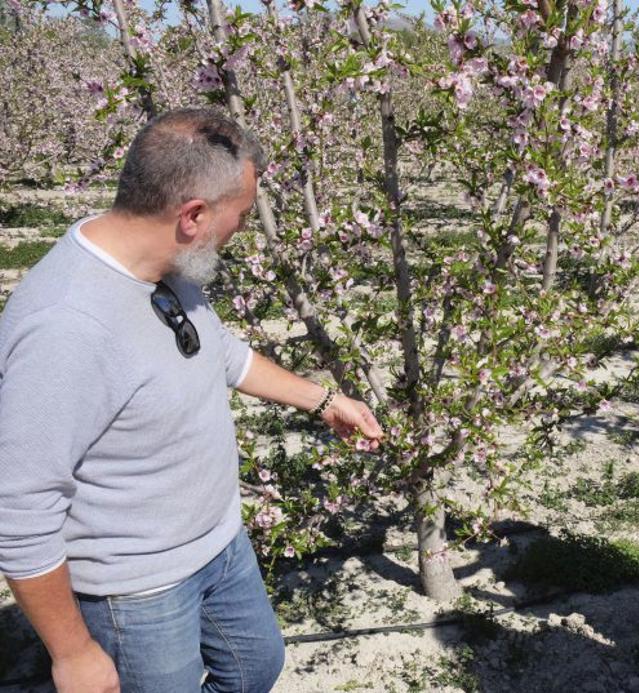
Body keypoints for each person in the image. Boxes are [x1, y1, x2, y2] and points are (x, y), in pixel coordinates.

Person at [0, 108, 384, 693]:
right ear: (194, 216)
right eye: (242, 216)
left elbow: (217, 350)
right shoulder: (66, 328)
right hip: (137, 589)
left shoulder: (162, 264)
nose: (241, 230)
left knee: (255, 666)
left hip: (219, 545)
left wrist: (323, 399)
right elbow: (20, 508)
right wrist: (73, 652)